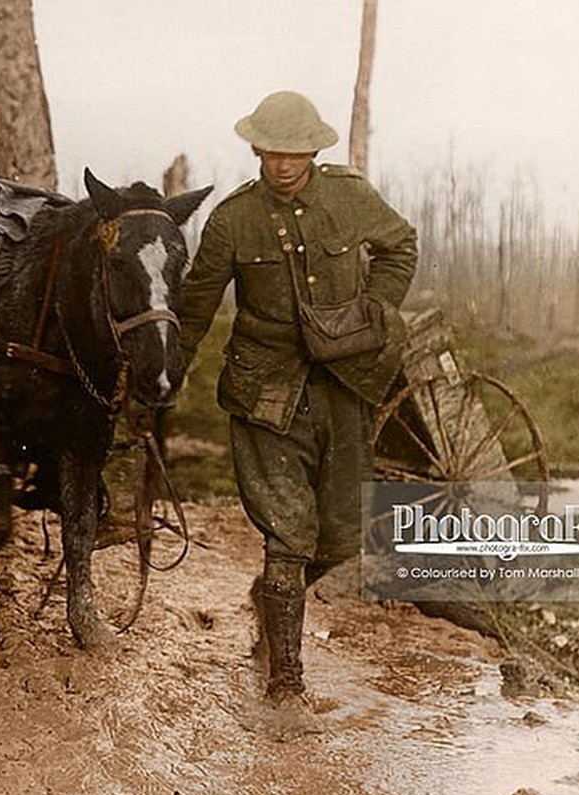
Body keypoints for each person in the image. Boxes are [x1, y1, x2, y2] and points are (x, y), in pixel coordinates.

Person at [178, 90, 417, 709]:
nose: (285, 164)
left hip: (344, 387)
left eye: (297, 152)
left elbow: (400, 245)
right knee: (289, 534)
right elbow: (198, 302)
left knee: (339, 536)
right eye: (274, 152)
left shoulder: (350, 196)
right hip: (265, 393)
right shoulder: (232, 220)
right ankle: (285, 681)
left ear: (315, 149)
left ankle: (272, 598)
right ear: (257, 149)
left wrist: (375, 308)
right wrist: (167, 372)